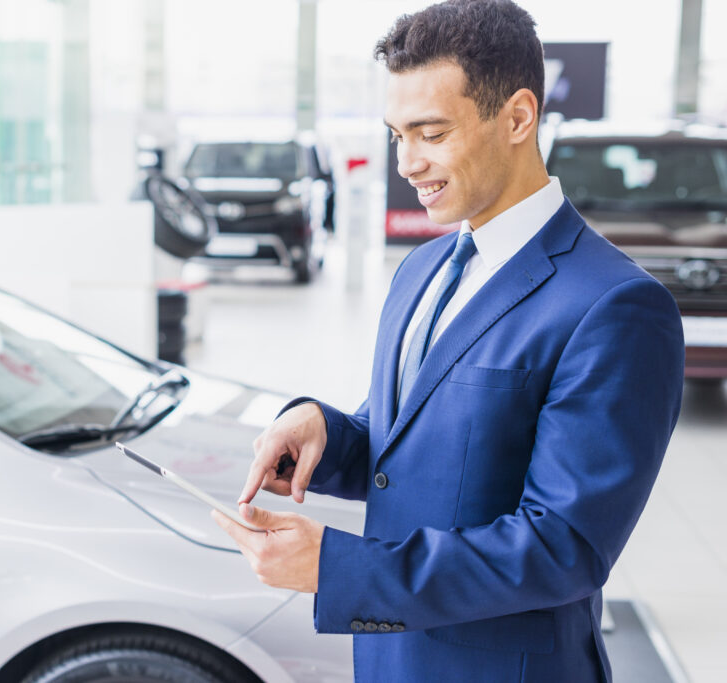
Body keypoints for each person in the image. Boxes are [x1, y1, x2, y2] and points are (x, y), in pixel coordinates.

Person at [210, 1, 685, 681]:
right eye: (396, 134)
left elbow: (564, 545)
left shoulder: (615, 306)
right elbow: (407, 437)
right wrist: (327, 432)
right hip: (391, 657)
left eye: (430, 133)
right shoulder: (422, 268)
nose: (406, 162)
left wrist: (340, 567)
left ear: (518, 117)